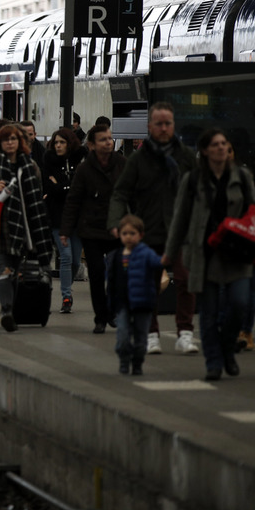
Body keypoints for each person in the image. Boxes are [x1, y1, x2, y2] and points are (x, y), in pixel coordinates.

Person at [164, 128, 255, 381]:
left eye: (224, 144)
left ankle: (227, 348)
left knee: (239, 305)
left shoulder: (242, 176)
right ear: (205, 150)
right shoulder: (193, 180)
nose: (221, 148)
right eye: (216, 144)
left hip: (237, 254)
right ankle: (214, 363)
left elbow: (254, 210)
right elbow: (180, 219)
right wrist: (169, 253)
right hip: (204, 255)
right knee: (208, 312)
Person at [108, 102, 199, 355]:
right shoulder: (138, 160)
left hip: (180, 231)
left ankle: (185, 333)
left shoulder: (186, 157)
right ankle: (151, 334)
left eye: (167, 123)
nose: (163, 128)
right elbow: (120, 193)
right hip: (147, 231)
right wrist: (117, 223)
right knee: (148, 285)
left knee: (186, 280)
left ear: (173, 126)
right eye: (158, 124)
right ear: (149, 127)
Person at [0, 124, 53, 331]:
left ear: (20, 142)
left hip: (23, 229)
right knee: (4, 271)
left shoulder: (31, 166)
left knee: (15, 272)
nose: (9, 143)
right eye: (6, 139)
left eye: (13, 139)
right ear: (0, 143)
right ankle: (7, 311)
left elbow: (36, 198)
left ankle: (13, 309)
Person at [60, 124, 127, 333]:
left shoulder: (122, 164)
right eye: (103, 139)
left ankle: (113, 311)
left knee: (118, 273)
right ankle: (100, 317)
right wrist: (65, 230)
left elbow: (133, 193)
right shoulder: (84, 169)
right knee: (97, 273)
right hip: (92, 230)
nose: (108, 142)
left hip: (117, 228)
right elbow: (74, 200)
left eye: (110, 138)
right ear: (91, 145)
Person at [107, 215, 167, 376]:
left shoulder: (146, 253)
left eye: (132, 233)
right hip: (122, 303)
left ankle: (138, 362)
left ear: (141, 235)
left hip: (143, 302)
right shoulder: (114, 256)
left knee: (141, 339)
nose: (128, 237)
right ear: (119, 235)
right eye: (125, 233)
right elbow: (111, 282)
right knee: (123, 336)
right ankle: (124, 361)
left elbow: (158, 263)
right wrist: (111, 304)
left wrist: (166, 258)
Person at [42, 128, 86, 314]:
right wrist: (66, 186)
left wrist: (62, 185)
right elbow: (51, 189)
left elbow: (79, 186)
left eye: (62, 142)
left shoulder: (80, 160)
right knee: (66, 257)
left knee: (76, 260)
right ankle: (66, 296)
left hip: (77, 218)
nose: (58, 146)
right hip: (57, 217)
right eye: (56, 142)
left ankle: (68, 289)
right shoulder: (49, 160)